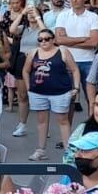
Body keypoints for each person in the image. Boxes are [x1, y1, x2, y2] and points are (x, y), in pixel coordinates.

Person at [22, 27, 78, 160]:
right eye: (40, 39)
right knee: (41, 121)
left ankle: (68, 152)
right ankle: (41, 150)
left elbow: (75, 70)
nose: (44, 41)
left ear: (53, 40)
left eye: (47, 39)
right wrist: (29, 87)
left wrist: (76, 88)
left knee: (63, 121)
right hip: (38, 92)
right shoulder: (33, 52)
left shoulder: (63, 52)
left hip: (60, 91)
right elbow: (26, 70)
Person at [53, 0, 98, 85]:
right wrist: (82, 39)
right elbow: (59, 40)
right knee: (68, 96)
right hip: (67, 60)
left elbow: (94, 42)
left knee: (91, 95)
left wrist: (68, 42)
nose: (74, 0)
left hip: (88, 60)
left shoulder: (93, 17)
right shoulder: (62, 16)